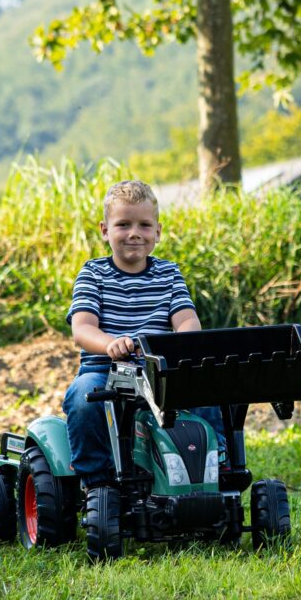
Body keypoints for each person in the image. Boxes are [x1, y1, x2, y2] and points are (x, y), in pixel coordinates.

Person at [63, 179, 225, 488]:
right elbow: (82, 329)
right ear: (105, 230)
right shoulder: (93, 273)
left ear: (158, 232)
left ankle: (216, 464)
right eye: (123, 224)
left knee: (209, 388)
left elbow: (188, 321)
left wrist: (182, 343)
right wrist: (111, 344)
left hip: (160, 370)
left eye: (144, 225)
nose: (134, 233)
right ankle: (97, 481)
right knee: (83, 397)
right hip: (105, 371)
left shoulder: (168, 273)